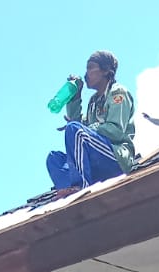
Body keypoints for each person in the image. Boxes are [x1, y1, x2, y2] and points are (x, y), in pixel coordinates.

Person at [45, 50, 136, 192]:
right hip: (96, 160)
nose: (86, 74)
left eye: (90, 68)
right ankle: (68, 189)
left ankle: (80, 187)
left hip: (116, 157)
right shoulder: (94, 101)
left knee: (75, 130)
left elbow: (116, 131)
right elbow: (78, 129)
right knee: (54, 159)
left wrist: (80, 128)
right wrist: (74, 97)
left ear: (105, 70)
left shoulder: (118, 93)